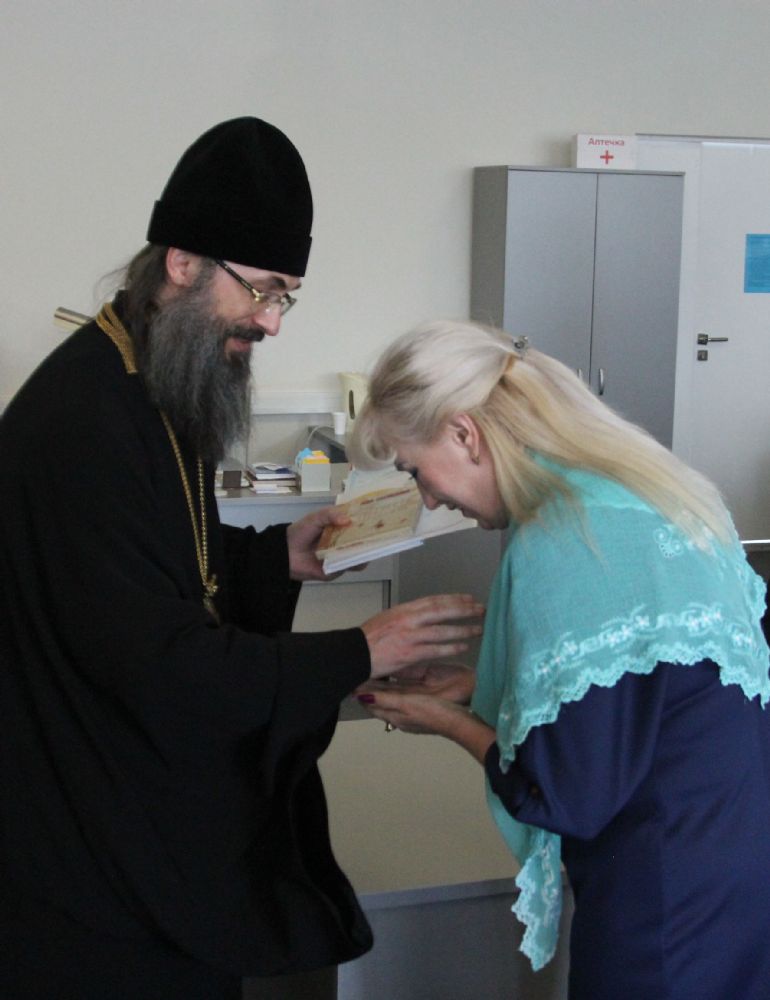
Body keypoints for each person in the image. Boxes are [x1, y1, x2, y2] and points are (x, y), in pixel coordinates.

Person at [0, 120, 484, 1000]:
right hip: (88, 860)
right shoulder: (85, 422)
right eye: (261, 291)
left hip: (115, 825)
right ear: (183, 262)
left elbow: (151, 557)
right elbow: (157, 664)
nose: (270, 321)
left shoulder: (149, 378)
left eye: (285, 297)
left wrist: (272, 560)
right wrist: (358, 652)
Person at [349, 319, 770, 1000]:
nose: (428, 499)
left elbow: (566, 794)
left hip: (661, 897)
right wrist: (478, 688)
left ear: (464, 434)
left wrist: (449, 722)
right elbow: (642, 690)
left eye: (414, 471)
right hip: (738, 861)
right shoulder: (649, 490)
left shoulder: (560, 538)